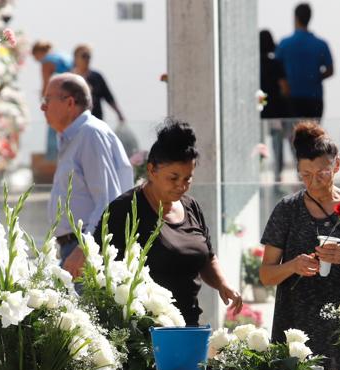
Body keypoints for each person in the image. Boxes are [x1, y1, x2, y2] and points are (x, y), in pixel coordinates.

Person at [259, 122, 340, 370]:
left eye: (322, 173)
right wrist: (293, 265)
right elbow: (266, 274)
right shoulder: (287, 209)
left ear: (336, 166)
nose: (313, 182)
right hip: (297, 326)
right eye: (305, 175)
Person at [90, 120, 241, 326]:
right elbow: (100, 270)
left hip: (189, 322)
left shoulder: (191, 207)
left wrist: (223, 285)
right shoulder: (124, 210)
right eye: (173, 178)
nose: (182, 186)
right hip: (142, 332)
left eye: (188, 178)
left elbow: (207, 257)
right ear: (151, 170)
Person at [41, 74, 133, 264]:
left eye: (48, 99)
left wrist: (85, 249)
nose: (43, 107)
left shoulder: (91, 134)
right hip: (75, 248)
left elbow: (108, 199)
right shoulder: (73, 137)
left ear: (70, 102)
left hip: (86, 251)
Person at [274, 3, 333, 120]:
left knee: (294, 134)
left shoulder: (284, 44)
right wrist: (315, 77)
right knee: (312, 134)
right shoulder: (320, 44)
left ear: (295, 18)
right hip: (314, 96)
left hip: (291, 96)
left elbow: (276, 69)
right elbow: (330, 70)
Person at [32, 41, 72, 161]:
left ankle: (52, 158)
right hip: (71, 96)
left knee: (52, 127)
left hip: (58, 97)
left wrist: (44, 100)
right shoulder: (64, 56)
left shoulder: (47, 62)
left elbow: (46, 84)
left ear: (39, 52)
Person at [259, 30, 290, 183]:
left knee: (259, 145)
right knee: (277, 146)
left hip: (260, 111)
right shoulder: (276, 64)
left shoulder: (254, 66)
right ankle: (278, 176)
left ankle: (257, 173)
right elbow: (284, 87)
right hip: (276, 110)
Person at [71, 45, 124, 124]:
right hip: (74, 121)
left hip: (96, 119)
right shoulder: (68, 78)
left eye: (88, 56)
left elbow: (108, 96)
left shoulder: (97, 76)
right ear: (75, 58)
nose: (87, 59)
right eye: (84, 56)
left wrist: (119, 113)